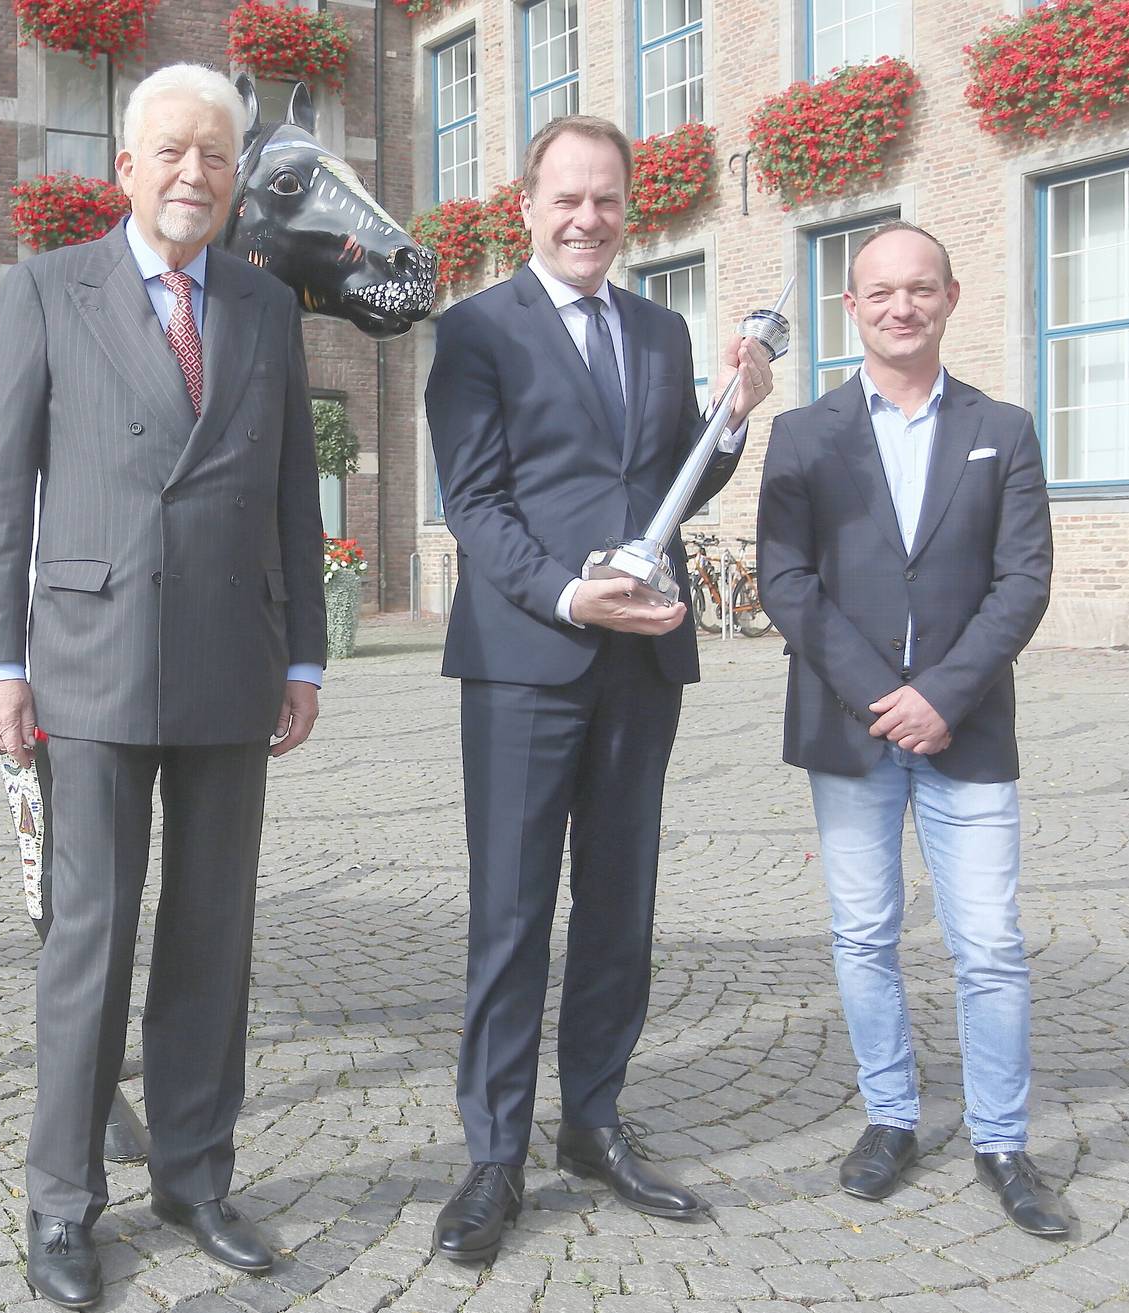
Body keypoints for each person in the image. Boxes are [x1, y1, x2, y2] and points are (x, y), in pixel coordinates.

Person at [0, 63, 326, 1309]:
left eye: (215, 156)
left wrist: (306, 652)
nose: (193, 174)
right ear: (124, 168)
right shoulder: (47, 289)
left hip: (232, 654)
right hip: (91, 656)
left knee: (213, 937)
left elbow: (292, 494)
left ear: (235, 178)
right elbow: (0, 492)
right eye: (170, 152)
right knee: (91, 938)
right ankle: (62, 1200)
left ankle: (195, 1172)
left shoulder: (268, 308)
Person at [423, 114, 774, 1262]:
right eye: (567, 199)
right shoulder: (477, 331)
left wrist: (735, 416)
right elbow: (476, 505)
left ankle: (596, 1122)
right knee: (514, 911)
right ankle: (494, 1153)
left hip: (642, 666)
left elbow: (676, 476)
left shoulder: (663, 331)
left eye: (608, 201)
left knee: (620, 905)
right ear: (527, 203)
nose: (587, 219)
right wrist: (570, 598)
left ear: (631, 210)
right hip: (529, 657)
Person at [755, 222, 1064, 1237]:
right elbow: (787, 578)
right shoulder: (804, 434)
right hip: (852, 731)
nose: (901, 306)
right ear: (852, 308)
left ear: (951, 297)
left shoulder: (1004, 428)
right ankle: (889, 1116)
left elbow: (1024, 580)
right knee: (864, 933)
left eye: (920, 289)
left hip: (965, 729)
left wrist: (945, 692)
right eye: (881, 292)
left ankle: (1003, 1140)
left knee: (989, 945)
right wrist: (877, 692)